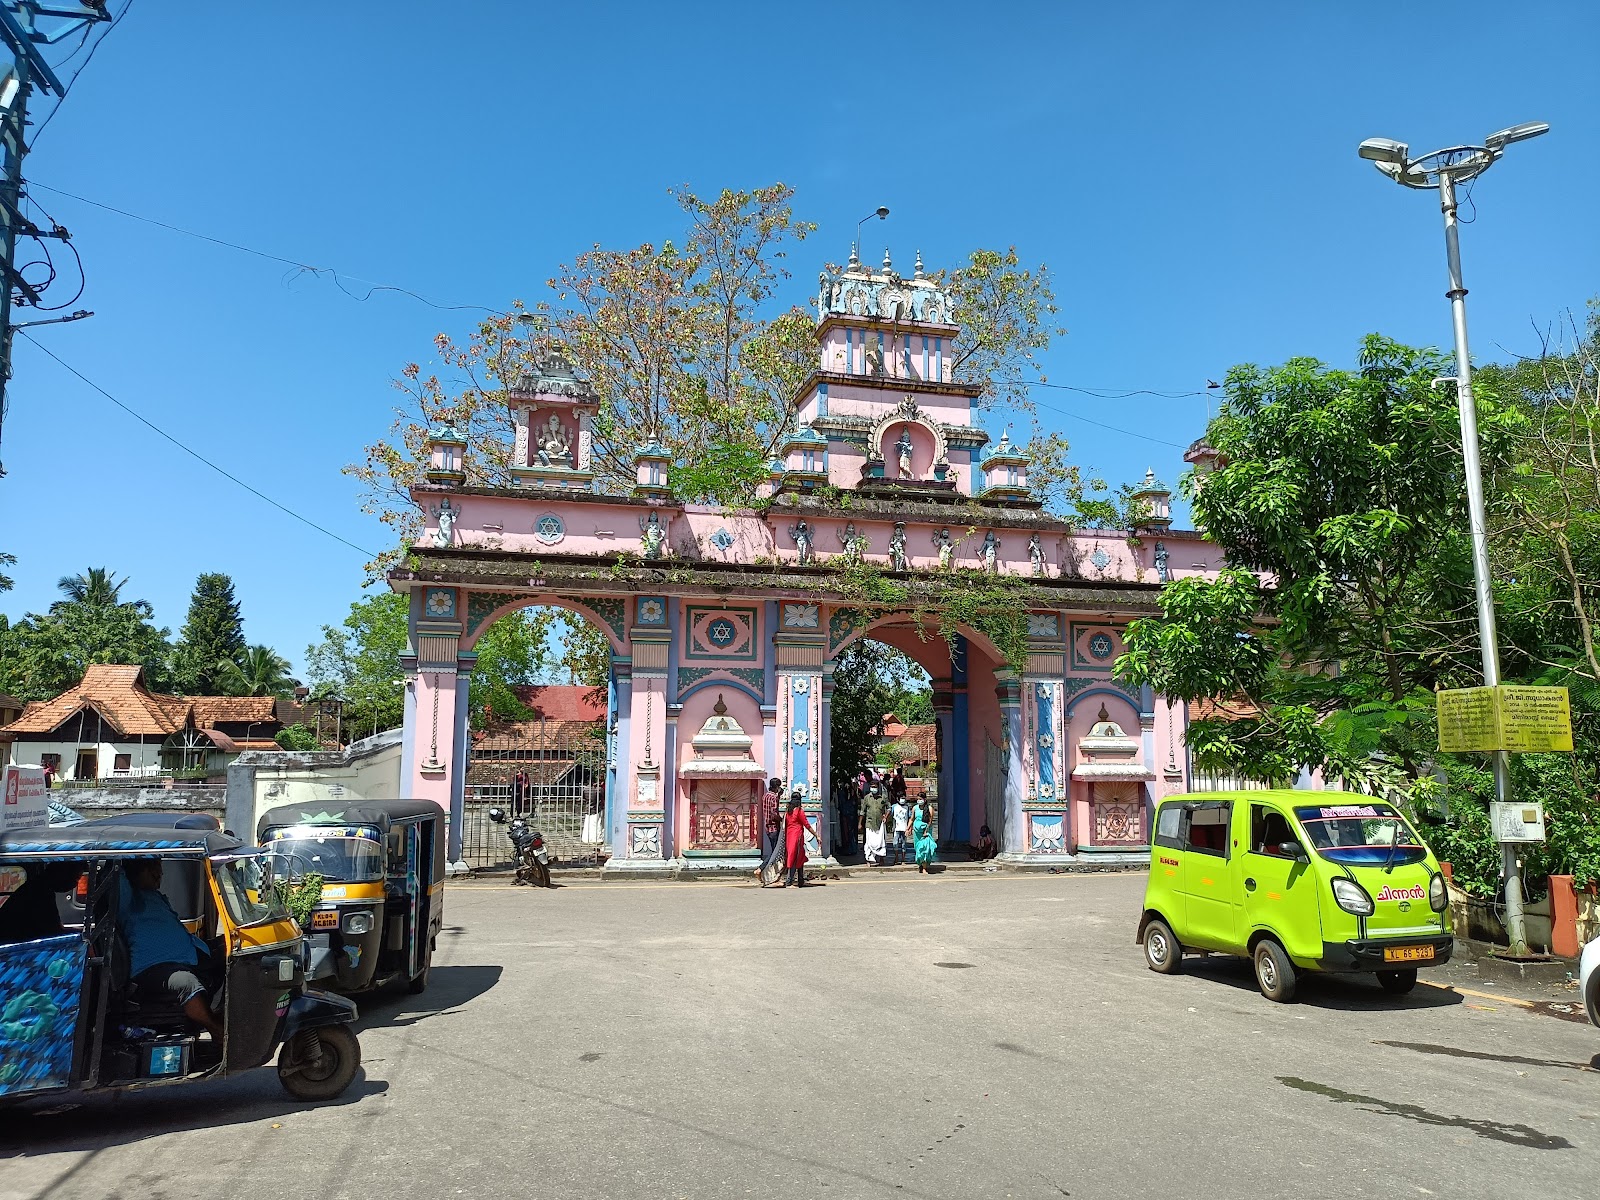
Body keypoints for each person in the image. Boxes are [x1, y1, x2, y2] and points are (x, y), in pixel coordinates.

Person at [119, 859, 223, 1038]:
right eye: (151, 870)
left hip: (187, 954)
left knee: (230, 949)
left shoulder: (154, 896)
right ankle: (216, 1030)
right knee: (187, 982)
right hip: (153, 968)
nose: (159, 874)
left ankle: (221, 1014)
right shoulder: (128, 899)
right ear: (135, 873)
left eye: (158, 868)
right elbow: (120, 875)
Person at [782, 792, 816, 888]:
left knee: (798, 857)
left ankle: (800, 880)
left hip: (789, 836)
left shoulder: (788, 811)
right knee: (794, 857)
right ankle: (789, 881)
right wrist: (816, 835)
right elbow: (807, 824)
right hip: (797, 836)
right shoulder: (799, 811)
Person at [861, 784, 887, 866]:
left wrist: (885, 816)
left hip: (880, 824)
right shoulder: (867, 798)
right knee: (869, 842)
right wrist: (860, 823)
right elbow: (863, 811)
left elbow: (888, 807)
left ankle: (881, 859)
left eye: (875, 787)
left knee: (881, 841)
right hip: (869, 823)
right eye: (872, 787)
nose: (873, 788)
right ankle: (868, 859)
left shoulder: (882, 798)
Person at [911, 798, 937, 873]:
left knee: (925, 849)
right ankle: (920, 864)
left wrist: (926, 831)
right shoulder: (915, 808)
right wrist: (908, 828)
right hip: (917, 832)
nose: (919, 800)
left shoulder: (929, 808)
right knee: (918, 849)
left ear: (924, 799)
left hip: (926, 832)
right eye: (918, 799)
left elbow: (930, 821)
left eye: (920, 799)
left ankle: (924, 867)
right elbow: (912, 819)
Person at [890, 792, 912, 867]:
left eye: (904, 798)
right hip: (896, 828)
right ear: (897, 799)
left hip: (904, 828)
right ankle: (896, 858)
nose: (903, 800)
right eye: (901, 798)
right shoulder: (894, 807)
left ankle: (903, 859)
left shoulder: (907, 807)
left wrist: (909, 828)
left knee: (904, 844)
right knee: (895, 843)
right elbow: (891, 815)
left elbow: (910, 818)